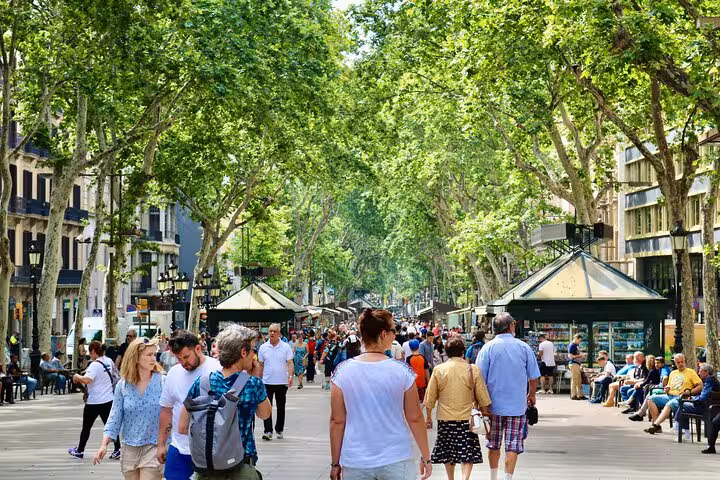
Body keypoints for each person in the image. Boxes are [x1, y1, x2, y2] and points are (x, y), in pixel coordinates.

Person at [329, 308, 432, 480]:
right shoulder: (402, 372)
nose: (395, 334)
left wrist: (335, 463)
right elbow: (414, 417)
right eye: (393, 330)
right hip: (397, 458)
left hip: (356, 461)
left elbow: (337, 421)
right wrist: (426, 457)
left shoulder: (342, 372)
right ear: (383, 334)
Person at [180, 324, 272, 480]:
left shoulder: (202, 383)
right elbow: (265, 414)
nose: (254, 355)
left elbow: (182, 426)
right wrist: (255, 377)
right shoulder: (252, 384)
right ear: (243, 353)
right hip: (240, 466)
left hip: (206, 468)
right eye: (252, 350)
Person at [476, 313, 540, 480]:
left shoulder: (487, 348)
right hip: (517, 407)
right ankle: (508, 478)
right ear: (511, 327)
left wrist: (481, 404)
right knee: (513, 446)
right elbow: (533, 376)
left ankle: (493, 477)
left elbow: (479, 378)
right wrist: (531, 395)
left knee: (493, 443)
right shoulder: (523, 347)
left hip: (492, 407)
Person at [93, 338, 164, 479]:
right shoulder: (123, 385)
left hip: (154, 446)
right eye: (149, 355)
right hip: (129, 448)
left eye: (154, 355)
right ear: (136, 358)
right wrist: (104, 445)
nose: (153, 359)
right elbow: (115, 416)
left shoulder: (163, 381)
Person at [425, 336, 491, 480]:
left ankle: (450, 478)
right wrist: (486, 412)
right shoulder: (472, 369)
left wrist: (428, 416)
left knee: (448, 451)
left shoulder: (439, 369)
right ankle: (465, 478)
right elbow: (482, 395)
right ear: (463, 351)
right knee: (467, 452)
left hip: (445, 418)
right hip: (467, 419)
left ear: (447, 352)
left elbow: (430, 396)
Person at [157, 331, 220, 480]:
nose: (183, 363)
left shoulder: (216, 369)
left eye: (186, 357)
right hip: (179, 448)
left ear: (198, 349)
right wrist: (161, 444)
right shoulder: (174, 373)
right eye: (179, 359)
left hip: (209, 450)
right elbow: (166, 410)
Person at [69, 341, 122, 459]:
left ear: (93, 351)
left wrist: (77, 376)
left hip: (94, 402)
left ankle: (80, 450)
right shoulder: (108, 361)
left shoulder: (94, 365)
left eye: (90, 352)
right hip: (108, 400)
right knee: (110, 426)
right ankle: (118, 448)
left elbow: (87, 380)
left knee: (86, 427)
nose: (89, 354)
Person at [643, 353, 703, 434]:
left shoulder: (690, 372)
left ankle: (655, 425)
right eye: (678, 362)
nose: (681, 364)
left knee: (670, 403)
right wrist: (666, 389)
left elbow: (700, 386)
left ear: (685, 361)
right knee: (651, 399)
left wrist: (690, 392)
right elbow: (669, 385)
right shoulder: (673, 373)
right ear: (675, 363)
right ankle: (657, 426)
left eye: (682, 362)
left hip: (682, 397)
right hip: (669, 395)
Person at [258, 323, 294, 441]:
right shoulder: (263, 347)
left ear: (279, 333)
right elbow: (261, 365)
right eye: (270, 331)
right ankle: (268, 431)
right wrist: (258, 380)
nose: (272, 333)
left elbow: (290, 363)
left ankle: (279, 429)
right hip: (267, 382)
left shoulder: (285, 347)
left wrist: (290, 376)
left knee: (280, 406)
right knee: (266, 407)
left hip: (281, 382)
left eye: (274, 331)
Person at [673, 363, 720, 438]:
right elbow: (704, 395)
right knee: (682, 404)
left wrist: (694, 399)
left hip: (706, 409)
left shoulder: (709, 380)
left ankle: (679, 424)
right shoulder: (711, 379)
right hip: (711, 407)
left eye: (700, 371)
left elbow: (703, 397)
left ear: (706, 372)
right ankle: (683, 428)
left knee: (681, 403)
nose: (698, 373)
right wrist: (694, 398)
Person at [567, 334, 587, 400]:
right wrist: (580, 355)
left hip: (577, 364)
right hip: (573, 363)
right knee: (574, 379)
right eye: (579, 340)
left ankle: (580, 395)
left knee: (578, 380)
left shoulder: (576, 345)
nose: (579, 342)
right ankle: (573, 395)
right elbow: (570, 356)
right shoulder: (572, 345)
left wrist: (581, 355)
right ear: (575, 338)